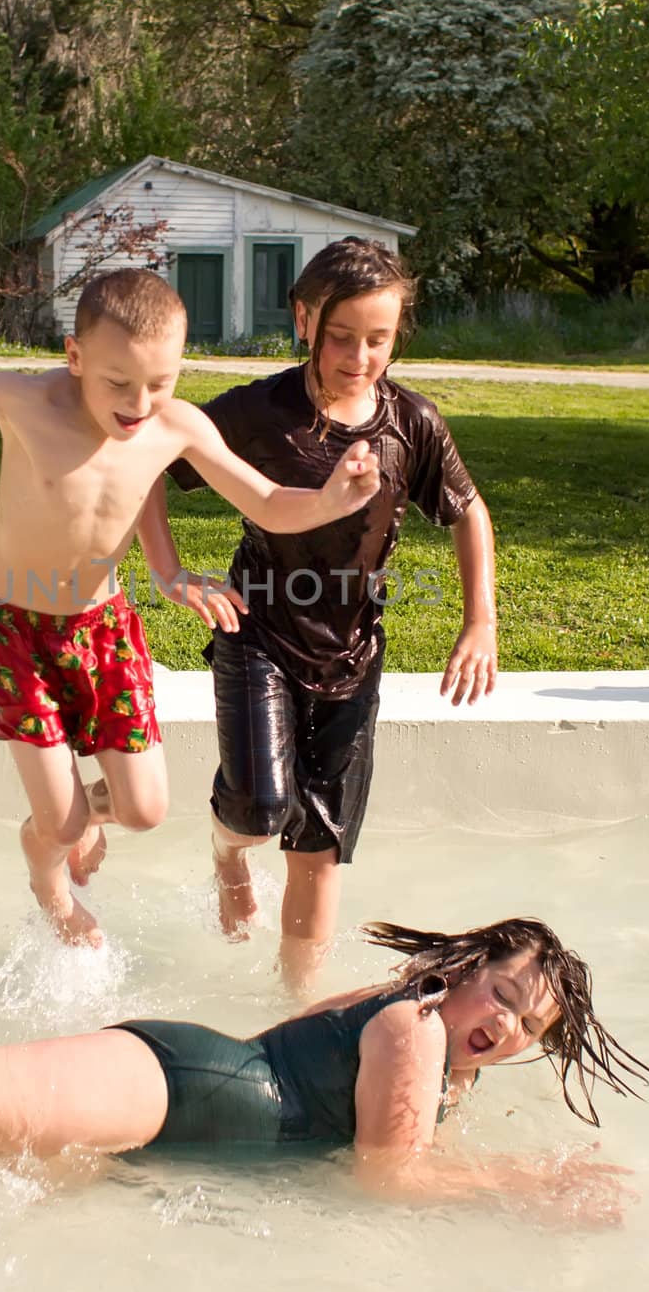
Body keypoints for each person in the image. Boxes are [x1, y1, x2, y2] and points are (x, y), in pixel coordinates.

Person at [0, 236, 380, 947]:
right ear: (74, 357)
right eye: (117, 382)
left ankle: (75, 819)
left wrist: (332, 499)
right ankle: (51, 885)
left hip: (102, 628)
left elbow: (270, 500)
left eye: (159, 382)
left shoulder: (175, 425)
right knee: (58, 827)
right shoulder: (23, 400)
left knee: (145, 809)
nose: (138, 402)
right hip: (15, 630)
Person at [0, 882, 649, 1224]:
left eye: (528, 1030)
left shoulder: (415, 1023)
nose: (506, 1028)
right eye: (506, 997)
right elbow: (387, 1181)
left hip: (177, 1106)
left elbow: (301, 1045)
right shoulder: (413, 1030)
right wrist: (518, 1185)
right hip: (173, 1090)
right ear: (470, 967)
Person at [140, 237, 498, 991]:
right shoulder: (257, 412)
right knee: (259, 810)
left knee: (319, 843)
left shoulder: (411, 423)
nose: (360, 355)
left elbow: (467, 511)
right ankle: (224, 851)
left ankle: (294, 1002)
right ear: (303, 320)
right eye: (341, 336)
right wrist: (169, 570)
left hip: (351, 656)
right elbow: (150, 464)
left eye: (378, 338)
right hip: (258, 631)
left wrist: (479, 621)